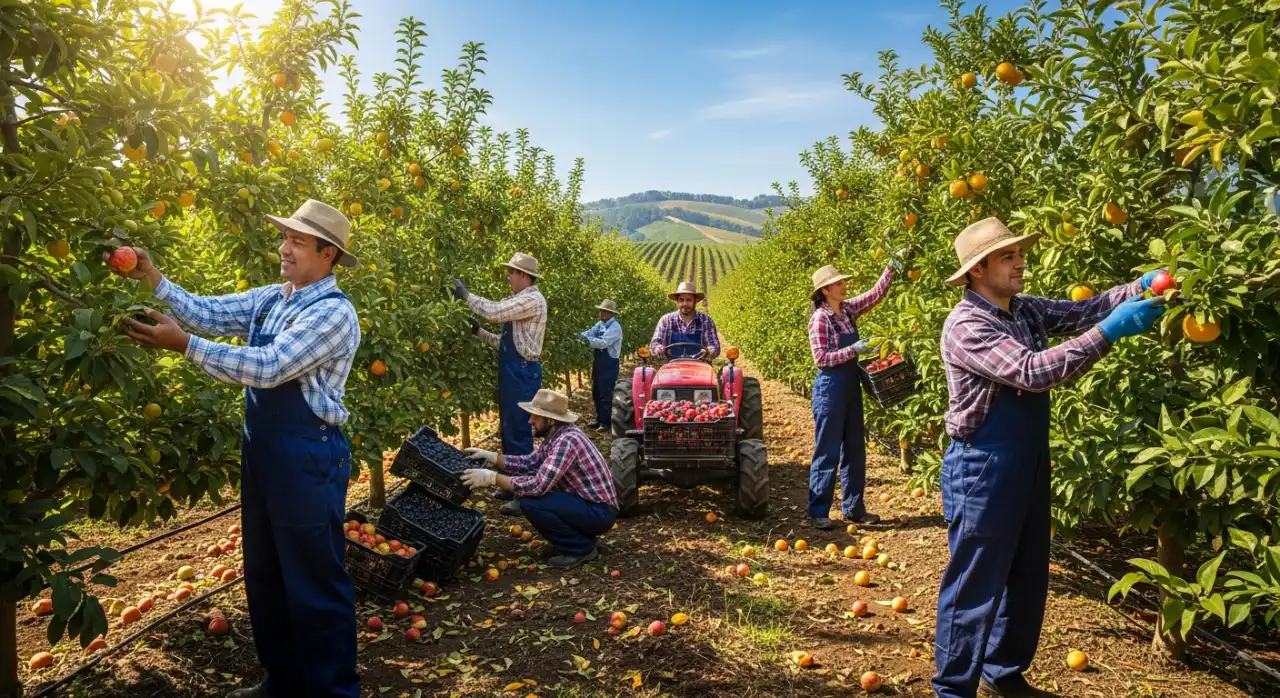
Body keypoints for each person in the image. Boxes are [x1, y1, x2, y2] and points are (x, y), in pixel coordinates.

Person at [112, 199, 362, 698]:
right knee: (265, 575)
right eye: (284, 237)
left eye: (296, 241)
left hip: (308, 458)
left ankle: (333, 690)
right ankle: (283, 680)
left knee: (314, 582)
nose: (283, 248)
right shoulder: (275, 298)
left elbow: (270, 366)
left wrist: (185, 346)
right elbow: (209, 310)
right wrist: (152, 277)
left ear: (328, 254)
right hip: (266, 454)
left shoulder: (335, 314)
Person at [932, 218, 1166, 698]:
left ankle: (1003, 670)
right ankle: (953, 688)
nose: (1021, 262)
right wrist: (1111, 333)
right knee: (975, 583)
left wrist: (1136, 287)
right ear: (978, 271)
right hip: (982, 466)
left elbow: (1084, 310)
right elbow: (1031, 371)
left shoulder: (1024, 309)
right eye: (1008, 256)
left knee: (1027, 572)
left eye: (1019, 253)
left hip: (1028, 460)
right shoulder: (967, 324)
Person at [459, 389, 619, 568]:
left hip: (600, 512)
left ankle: (580, 549)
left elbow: (538, 486)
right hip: (589, 505)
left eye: (535, 416)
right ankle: (580, 540)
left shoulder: (566, 441)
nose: (530, 420)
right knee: (532, 497)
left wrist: (492, 478)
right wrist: (492, 457)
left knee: (530, 501)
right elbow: (530, 463)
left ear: (550, 420)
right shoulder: (557, 435)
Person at [806, 256, 904, 530]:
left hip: (850, 385)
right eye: (837, 283)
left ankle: (854, 508)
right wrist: (854, 350)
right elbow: (821, 359)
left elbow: (874, 296)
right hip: (830, 387)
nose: (843, 286)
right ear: (825, 290)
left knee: (854, 447)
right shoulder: (820, 319)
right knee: (827, 450)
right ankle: (819, 511)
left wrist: (889, 269)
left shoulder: (847, 310)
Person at [453, 252, 547, 516]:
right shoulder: (520, 300)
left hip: (522, 373)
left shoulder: (531, 299)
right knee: (507, 427)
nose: (509, 277)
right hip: (512, 370)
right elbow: (505, 343)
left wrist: (466, 296)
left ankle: (523, 492)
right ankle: (508, 481)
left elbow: (494, 312)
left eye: (512, 272)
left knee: (519, 428)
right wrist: (479, 333)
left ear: (524, 276)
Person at [579, 299, 623, 432]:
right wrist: (584, 335)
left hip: (609, 364)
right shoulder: (600, 324)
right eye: (601, 310)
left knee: (606, 392)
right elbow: (590, 332)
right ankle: (599, 419)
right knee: (596, 391)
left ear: (610, 313)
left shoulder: (615, 328)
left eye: (604, 311)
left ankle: (607, 423)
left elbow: (603, 343)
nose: (601, 313)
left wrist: (588, 339)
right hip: (599, 361)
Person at [649, 280, 719, 360]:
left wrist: (710, 350)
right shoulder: (666, 320)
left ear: (695, 301)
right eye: (681, 300)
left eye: (689, 300)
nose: (684, 303)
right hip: (673, 367)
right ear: (677, 301)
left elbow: (714, 345)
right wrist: (658, 348)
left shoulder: (706, 321)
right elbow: (654, 344)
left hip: (700, 366)